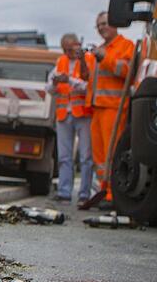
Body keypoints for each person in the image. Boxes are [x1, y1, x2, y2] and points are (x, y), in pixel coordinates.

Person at [87, 11, 135, 208]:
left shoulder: (125, 46)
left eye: (105, 23)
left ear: (115, 24)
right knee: (99, 157)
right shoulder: (100, 48)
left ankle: (113, 195)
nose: (101, 27)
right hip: (98, 108)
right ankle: (103, 189)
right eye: (98, 25)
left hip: (114, 108)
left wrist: (104, 58)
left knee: (111, 153)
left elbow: (127, 71)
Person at [47, 33, 95, 203]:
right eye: (65, 49)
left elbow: (90, 86)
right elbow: (49, 88)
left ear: (76, 45)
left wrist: (70, 80)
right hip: (64, 115)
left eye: (70, 48)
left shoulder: (88, 59)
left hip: (83, 114)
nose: (68, 52)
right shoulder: (61, 62)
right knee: (64, 156)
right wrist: (55, 83)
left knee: (86, 157)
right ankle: (64, 192)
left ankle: (84, 194)